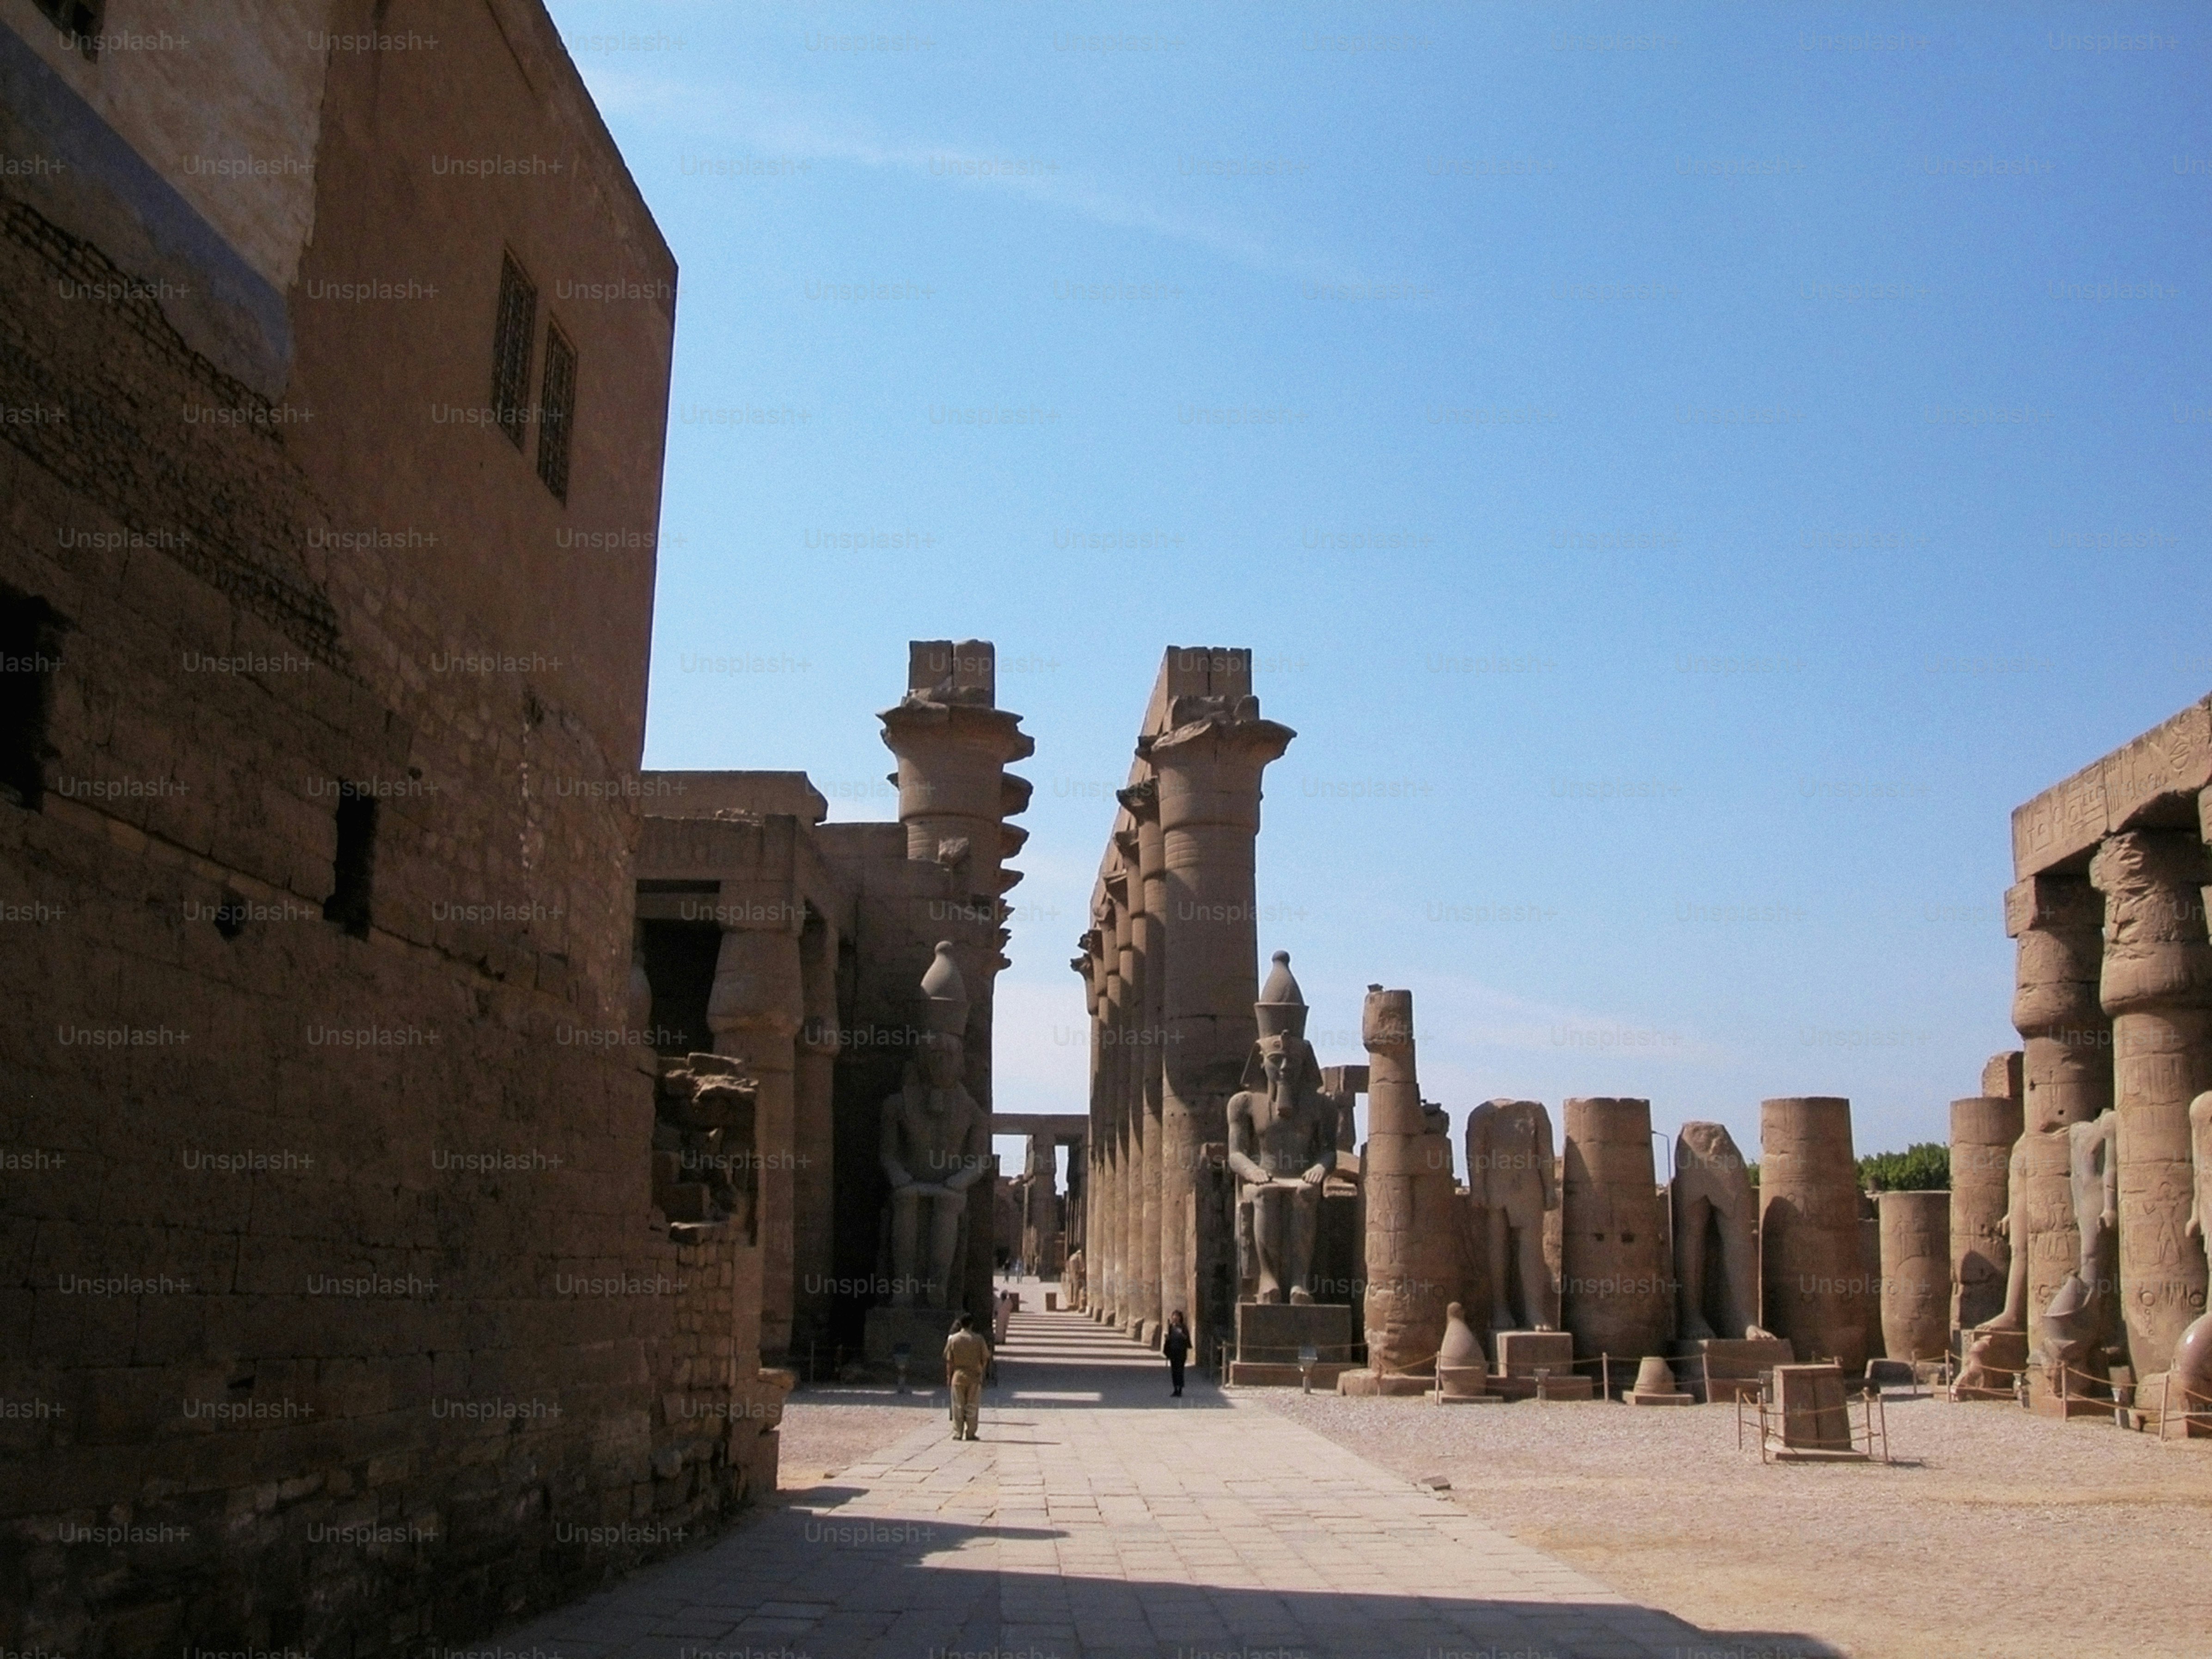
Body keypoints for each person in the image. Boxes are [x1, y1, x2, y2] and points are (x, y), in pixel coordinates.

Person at [944, 1312, 992, 1440]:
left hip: (958, 1375)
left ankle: (958, 1432)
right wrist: (982, 1373)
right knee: (972, 1406)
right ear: (972, 1324)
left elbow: (949, 1361)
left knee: (958, 1405)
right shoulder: (979, 1339)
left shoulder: (954, 1339)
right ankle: (971, 1432)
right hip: (974, 1376)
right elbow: (985, 1358)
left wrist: (949, 1376)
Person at [1163, 1309, 1191, 1398]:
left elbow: (1187, 1339)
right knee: (1174, 1371)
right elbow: (1169, 1339)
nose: (1175, 1318)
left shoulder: (1183, 1327)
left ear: (1180, 1318)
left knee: (1180, 1371)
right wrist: (1167, 1338)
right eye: (1174, 1316)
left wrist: (1181, 1334)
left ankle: (1180, 1389)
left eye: (1177, 1316)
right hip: (1173, 1351)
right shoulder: (1171, 1327)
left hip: (1181, 1352)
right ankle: (1175, 1388)